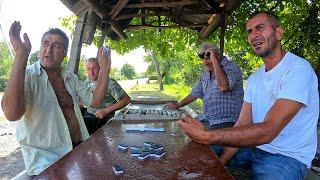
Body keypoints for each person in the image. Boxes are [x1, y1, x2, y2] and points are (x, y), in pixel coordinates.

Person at [178, 11, 319, 179]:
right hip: (253, 148)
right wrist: (219, 162)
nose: (254, 35)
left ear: (279, 33)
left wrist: (207, 135)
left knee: (205, 143)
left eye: (260, 28)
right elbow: (240, 126)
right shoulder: (255, 78)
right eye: (250, 31)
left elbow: (269, 130)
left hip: (286, 157)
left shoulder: (298, 70)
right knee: (195, 155)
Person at [1, 21, 111, 176]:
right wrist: (20, 54)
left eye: (56, 45)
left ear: (65, 52)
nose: (49, 49)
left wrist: (105, 68)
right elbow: (11, 114)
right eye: (45, 43)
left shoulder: (70, 78)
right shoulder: (27, 76)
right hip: (47, 163)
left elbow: (95, 101)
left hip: (78, 151)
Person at [165, 42, 243, 129]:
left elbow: (224, 87)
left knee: (198, 136)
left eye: (209, 57)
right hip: (208, 120)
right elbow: (195, 93)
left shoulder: (231, 67)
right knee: (182, 125)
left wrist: (214, 60)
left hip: (227, 121)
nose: (205, 62)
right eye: (203, 58)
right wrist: (177, 105)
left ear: (217, 55)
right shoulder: (206, 73)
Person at [83, 58, 131, 134]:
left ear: (100, 69)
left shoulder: (109, 83)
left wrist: (106, 111)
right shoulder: (87, 81)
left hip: (104, 120)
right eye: (88, 69)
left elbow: (126, 99)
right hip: (89, 116)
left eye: (94, 68)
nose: (91, 72)